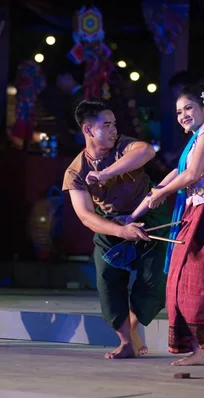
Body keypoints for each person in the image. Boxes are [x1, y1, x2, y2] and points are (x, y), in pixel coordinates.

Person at [128, 85, 204, 366]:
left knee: (201, 283)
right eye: (178, 112)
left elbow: (192, 175)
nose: (183, 115)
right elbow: (169, 179)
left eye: (188, 108)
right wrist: (132, 216)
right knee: (181, 281)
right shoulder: (193, 143)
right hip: (195, 213)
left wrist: (162, 194)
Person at [62, 99, 169, 359]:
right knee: (107, 280)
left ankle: (132, 329)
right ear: (88, 130)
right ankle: (125, 341)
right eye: (106, 125)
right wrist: (121, 231)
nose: (113, 130)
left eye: (114, 124)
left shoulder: (122, 145)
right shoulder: (75, 171)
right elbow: (86, 216)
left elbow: (146, 151)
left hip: (148, 215)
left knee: (152, 280)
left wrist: (106, 174)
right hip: (111, 224)